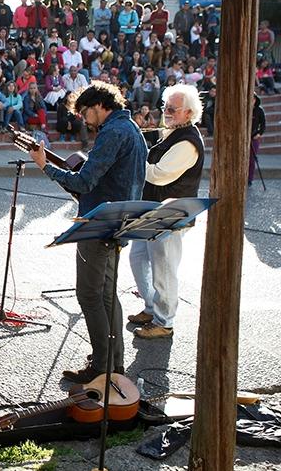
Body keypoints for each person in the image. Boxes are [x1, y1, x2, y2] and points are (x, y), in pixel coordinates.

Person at [28, 81, 147, 383]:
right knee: (107, 295)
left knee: (90, 295)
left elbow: (84, 182)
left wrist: (45, 166)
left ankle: (101, 368)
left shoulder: (112, 132)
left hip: (98, 223)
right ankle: (113, 362)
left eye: (84, 112)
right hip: (119, 220)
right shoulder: (132, 128)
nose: (82, 118)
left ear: (99, 106)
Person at [128, 84, 204, 339]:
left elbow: (160, 175)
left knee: (164, 267)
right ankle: (152, 307)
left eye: (173, 108)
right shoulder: (172, 132)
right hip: (154, 209)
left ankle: (164, 321)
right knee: (139, 258)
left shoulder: (188, 142)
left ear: (189, 113)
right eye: (165, 106)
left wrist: (135, 164)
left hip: (172, 212)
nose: (167, 111)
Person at [249, 93, 266, 187]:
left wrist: (259, 134)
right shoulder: (245, 110)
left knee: (252, 159)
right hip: (244, 138)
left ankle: (249, 179)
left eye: (253, 99)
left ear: (255, 100)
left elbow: (263, 125)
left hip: (254, 137)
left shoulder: (259, 111)